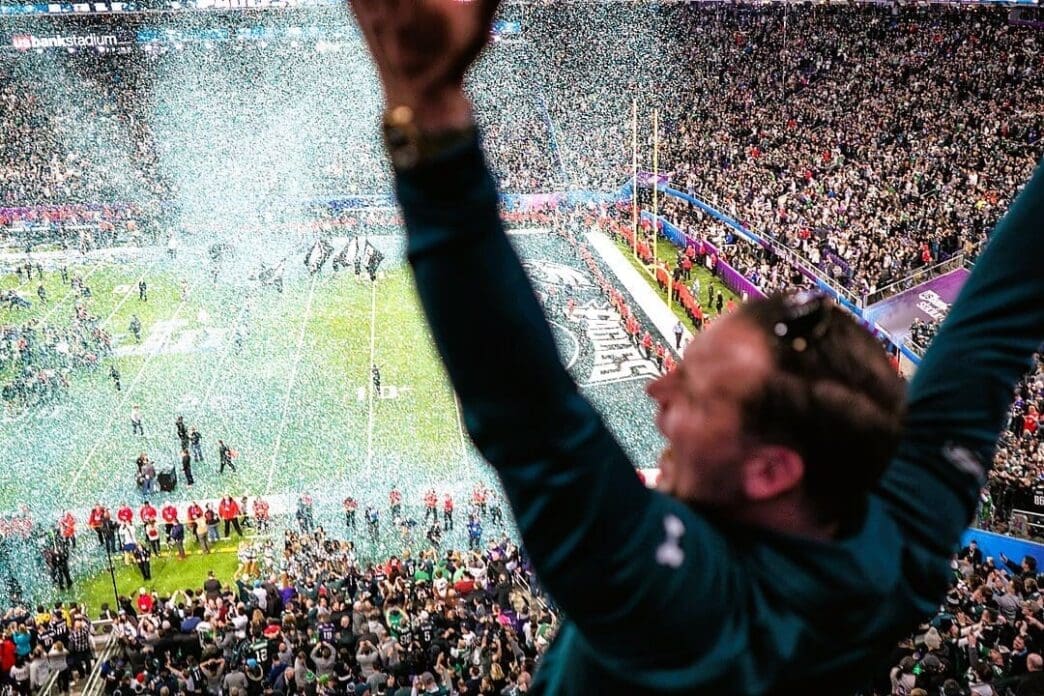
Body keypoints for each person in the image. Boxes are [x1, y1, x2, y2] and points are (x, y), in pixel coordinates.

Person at [347, 2, 1044, 692]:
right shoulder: (900, 539)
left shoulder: (687, 614)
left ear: (770, 470)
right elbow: (997, 313)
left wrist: (428, 112)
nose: (658, 388)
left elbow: (525, 405)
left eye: (696, 393)